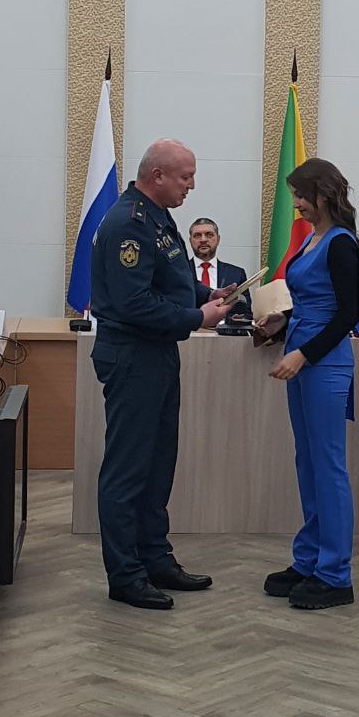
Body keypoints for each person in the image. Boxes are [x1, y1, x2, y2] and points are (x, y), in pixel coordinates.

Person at [90, 140, 232, 609]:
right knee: (128, 469)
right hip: (132, 355)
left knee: (157, 465)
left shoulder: (157, 217)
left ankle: (154, 559)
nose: (192, 185)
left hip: (156, 353)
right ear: (157, 177)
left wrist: (209, 296)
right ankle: (125, 575)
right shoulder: (128, 224)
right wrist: (198, 318)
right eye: (185, 177)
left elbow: (170, 279)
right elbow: (133, 303)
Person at [256, 158, 359, 611]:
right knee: (308, 463)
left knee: (328, 466)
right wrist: (280, 326)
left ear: (323, 193)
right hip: (301, 357)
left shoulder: (341, 243)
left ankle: (336, 574)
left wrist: (303, 354)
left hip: (324, 363)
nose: (296, 203)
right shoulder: (311, 238)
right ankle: (310, 559)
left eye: (301, 195)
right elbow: (308, 303)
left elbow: (347, 315)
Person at [189, 218, 251, 314]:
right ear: (190, 241)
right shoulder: (179, 272)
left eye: (209, 235)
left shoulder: (237, 274)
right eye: (197, 235)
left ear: (218, 239)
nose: (203, 239)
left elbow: (246, 313)